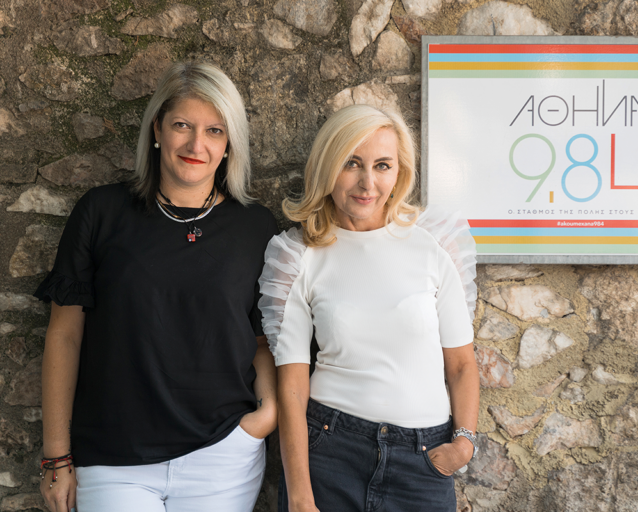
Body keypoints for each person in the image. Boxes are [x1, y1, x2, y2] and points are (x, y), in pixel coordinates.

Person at [35, 61, 278, 512]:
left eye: (214, 131)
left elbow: (262, 339)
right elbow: (64, 335)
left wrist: (266, 416)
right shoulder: (101, 212)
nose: (196, 145)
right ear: (157, 130)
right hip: (113, 458)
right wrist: (56, 456)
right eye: (182, 125)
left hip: (223, 457)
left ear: (229, 145)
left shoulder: (256, 227)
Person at [258, 104, 480, 512]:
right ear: (327, 166)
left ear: (399, 172)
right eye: (351, 163)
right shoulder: (297, 257)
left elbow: (462, 364)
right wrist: (301, 496)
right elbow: (292, 386)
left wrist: (463, 445)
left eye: (382, 166)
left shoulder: (435, 244)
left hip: (423, 462)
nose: (367, 183)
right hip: (330, 453)